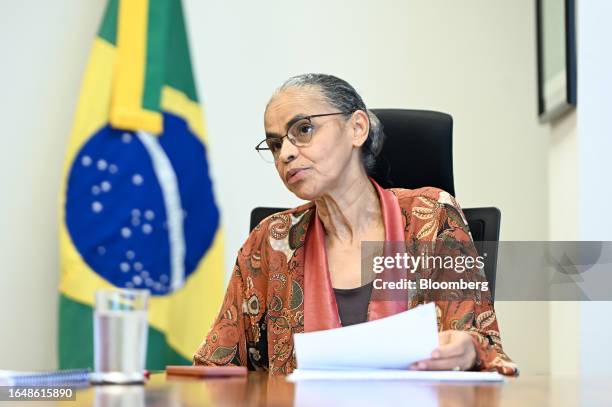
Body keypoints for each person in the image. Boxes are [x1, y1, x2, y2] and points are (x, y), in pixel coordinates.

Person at [193, 73, 518, 376]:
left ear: (357, 128)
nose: (286, 154)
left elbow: (481, 344)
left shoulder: (432, 216)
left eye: (303, 130)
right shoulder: (271, 240)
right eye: (276, 144)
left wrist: (468, 351)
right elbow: (215, 368)